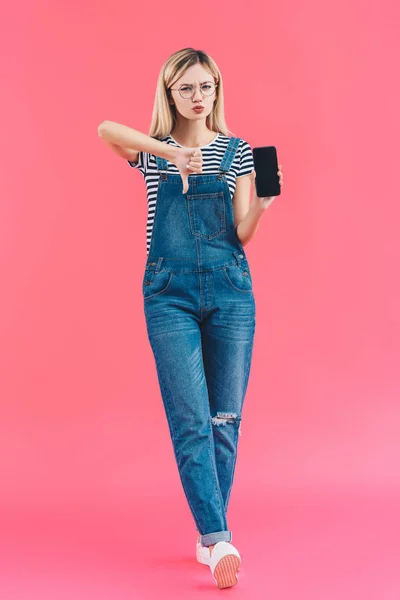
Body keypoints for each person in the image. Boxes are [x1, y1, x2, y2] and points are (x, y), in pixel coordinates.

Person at [98, 47, 283, 590]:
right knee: (189, 420)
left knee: (224, 420)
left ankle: (211, 538)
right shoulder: (154, 153)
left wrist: (264, 207)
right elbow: (106, 129)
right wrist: (168, 152)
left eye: (206, 87)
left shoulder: (238, 151)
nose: (198, 97)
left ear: (216, 91)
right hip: (168, 293)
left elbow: (242, 231)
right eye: (186, 88)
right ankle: (218, 537)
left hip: (231, 290)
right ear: (170, 93)